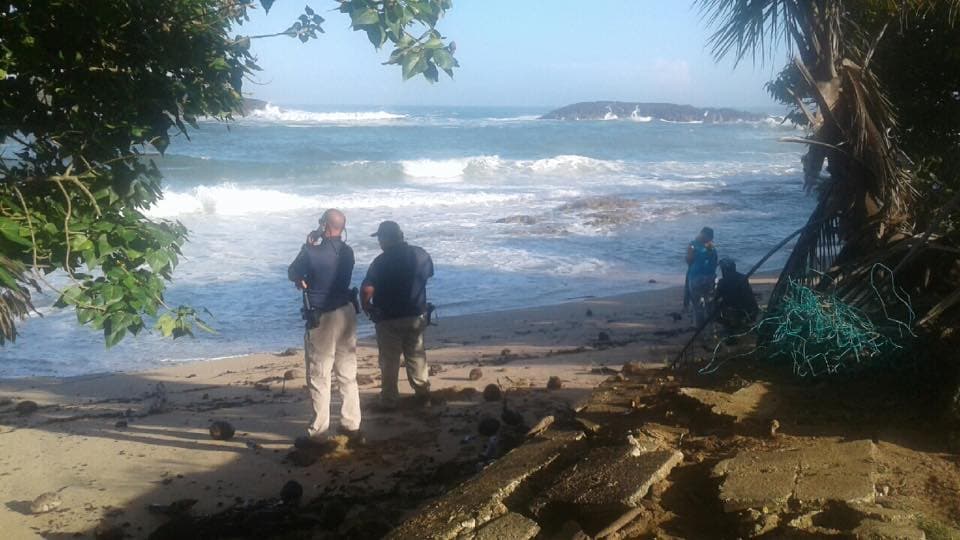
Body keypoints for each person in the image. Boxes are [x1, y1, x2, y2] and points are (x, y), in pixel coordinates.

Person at [287, 208, 361, 447]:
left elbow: (293, 272)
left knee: (320, 376)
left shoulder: (311, 251)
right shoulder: (348, 252)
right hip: (346, 313)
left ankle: (319, 431)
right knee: (347, 374)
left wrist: (308, 242)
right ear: (342, 227)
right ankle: (351, 424)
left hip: (323, 317)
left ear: (324, 225)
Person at [361, 221, 434, 410]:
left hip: (388, 318)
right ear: (400, 235)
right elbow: (427, 275)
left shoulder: (380, 262)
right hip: (416, 315)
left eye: (379, 238)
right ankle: (422, 394)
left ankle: (389, 400)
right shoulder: (421, 254)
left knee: (389, 361)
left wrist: (366, 305)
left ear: (386, 239)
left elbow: (367, 288)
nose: (378, 242)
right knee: (416, 356)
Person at [714, 258, 759, 333]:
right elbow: (748, 294)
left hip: (733, 310)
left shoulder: (722, 282)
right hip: (747, 309)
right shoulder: (743, 278)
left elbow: (716, 298)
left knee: (715, 304)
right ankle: (743, 321)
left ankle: (728, 324)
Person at [685, 226, 719, 329]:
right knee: (709, 304)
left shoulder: (692, 245)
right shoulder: (712, 247)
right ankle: (711, 327)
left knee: (697, 305)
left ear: (701, 234)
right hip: (710, 277)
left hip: (696, 277)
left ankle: (700, 328)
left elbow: (689, 260)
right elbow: (714, 262)